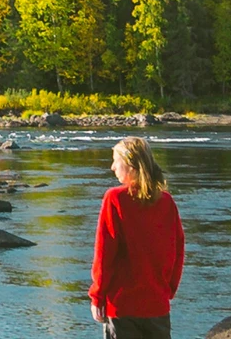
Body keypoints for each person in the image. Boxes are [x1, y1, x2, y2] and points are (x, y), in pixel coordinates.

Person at [90, 137, 185, 339]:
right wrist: (167, 290)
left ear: (130, 165)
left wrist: (97, 296)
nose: (112, 167)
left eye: (116, 161)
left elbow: (104, 255)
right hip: (157, 305)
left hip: (122, 306)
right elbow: (177, 251)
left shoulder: (114, 198)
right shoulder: (166, 201)